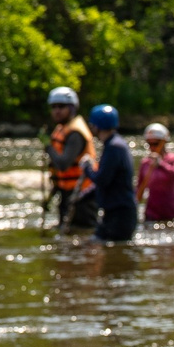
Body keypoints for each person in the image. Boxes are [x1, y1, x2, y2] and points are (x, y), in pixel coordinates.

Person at [46, 87, 97, 231]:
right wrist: (51, 196)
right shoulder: (62, 129)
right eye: (54, 107)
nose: (57, 111)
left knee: (82, 234)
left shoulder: (75, 133)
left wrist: (48, 148)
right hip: (66, 193)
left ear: (71, 108)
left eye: (61, 107)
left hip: (82, 196)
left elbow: (63, 164)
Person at [87, 104, 138, 243]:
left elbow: (102, 179)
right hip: (116, 212)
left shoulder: (114, 147)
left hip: (120, 214)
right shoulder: (115, 144)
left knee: (99, 245)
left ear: (97, 126)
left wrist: (88, 169)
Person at [140, 122, 174, 223]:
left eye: (156, 144)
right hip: (152, 214)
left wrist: (161, 164)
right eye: (149, 144)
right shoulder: (145, 163)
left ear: (164, 143)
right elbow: (139, 188)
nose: (152, 147)